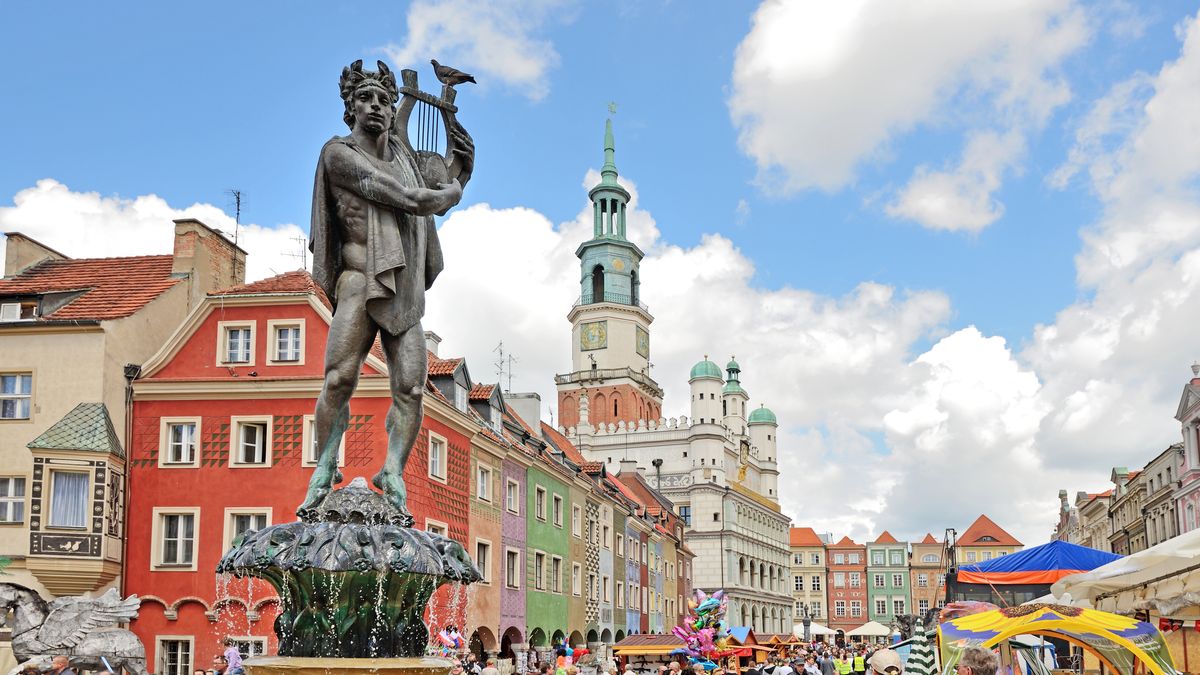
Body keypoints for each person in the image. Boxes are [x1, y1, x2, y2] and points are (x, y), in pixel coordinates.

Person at [299, 58, 473, 522]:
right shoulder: (339, 155)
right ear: (349, 107)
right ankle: (323, 466)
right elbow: (411, 197)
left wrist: (459, 156)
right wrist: (451, 195)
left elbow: (435, 170)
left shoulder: (402, 156)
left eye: (382, 98)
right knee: (339, 377)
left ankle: (392, 470)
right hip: (357, 280)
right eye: (364, 98)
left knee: (412, 386)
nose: (374, 105)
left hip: (403, 290)